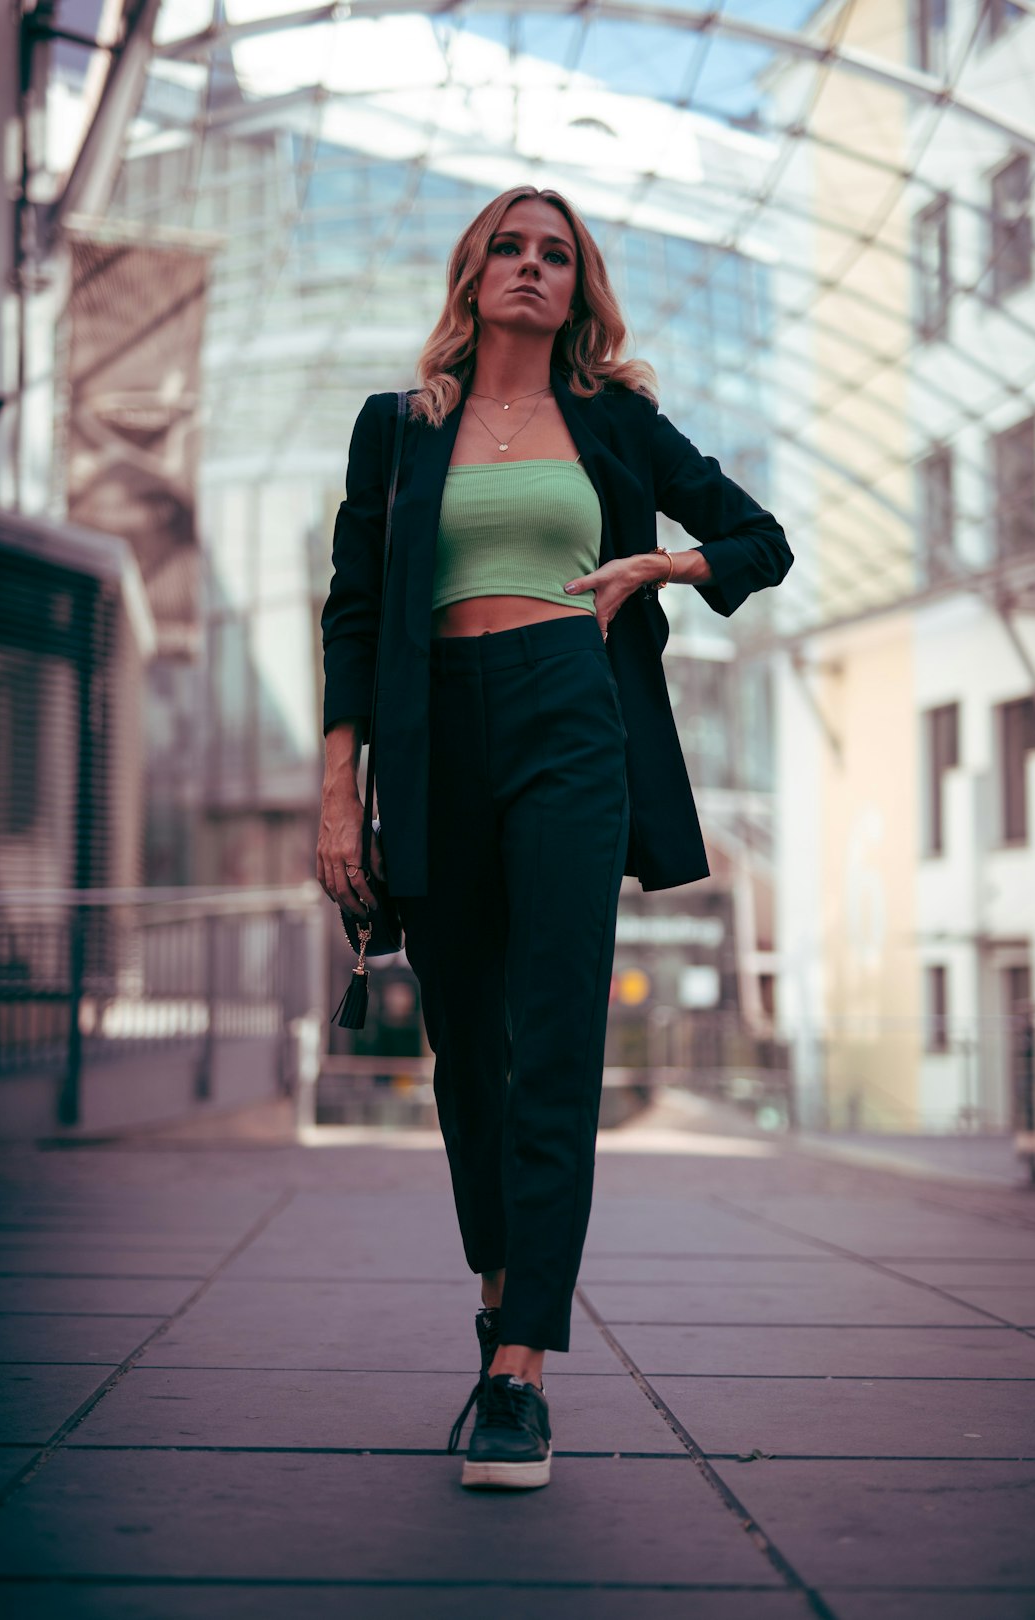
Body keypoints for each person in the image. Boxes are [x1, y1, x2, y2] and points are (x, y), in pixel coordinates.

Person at [317, 185, 792, 1491]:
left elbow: (761, 538)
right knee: (467, 1040)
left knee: (560, 1032)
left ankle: (521, 1367)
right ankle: (499, 1293)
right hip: (434, 737)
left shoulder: (617, 422)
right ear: (471, 276)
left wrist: (655, 570)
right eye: (510, 249)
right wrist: (334, 789)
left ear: (578, 290)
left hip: (572, 716)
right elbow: (355, 611)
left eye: (557, 256)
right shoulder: (397, 431)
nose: (532, 268)